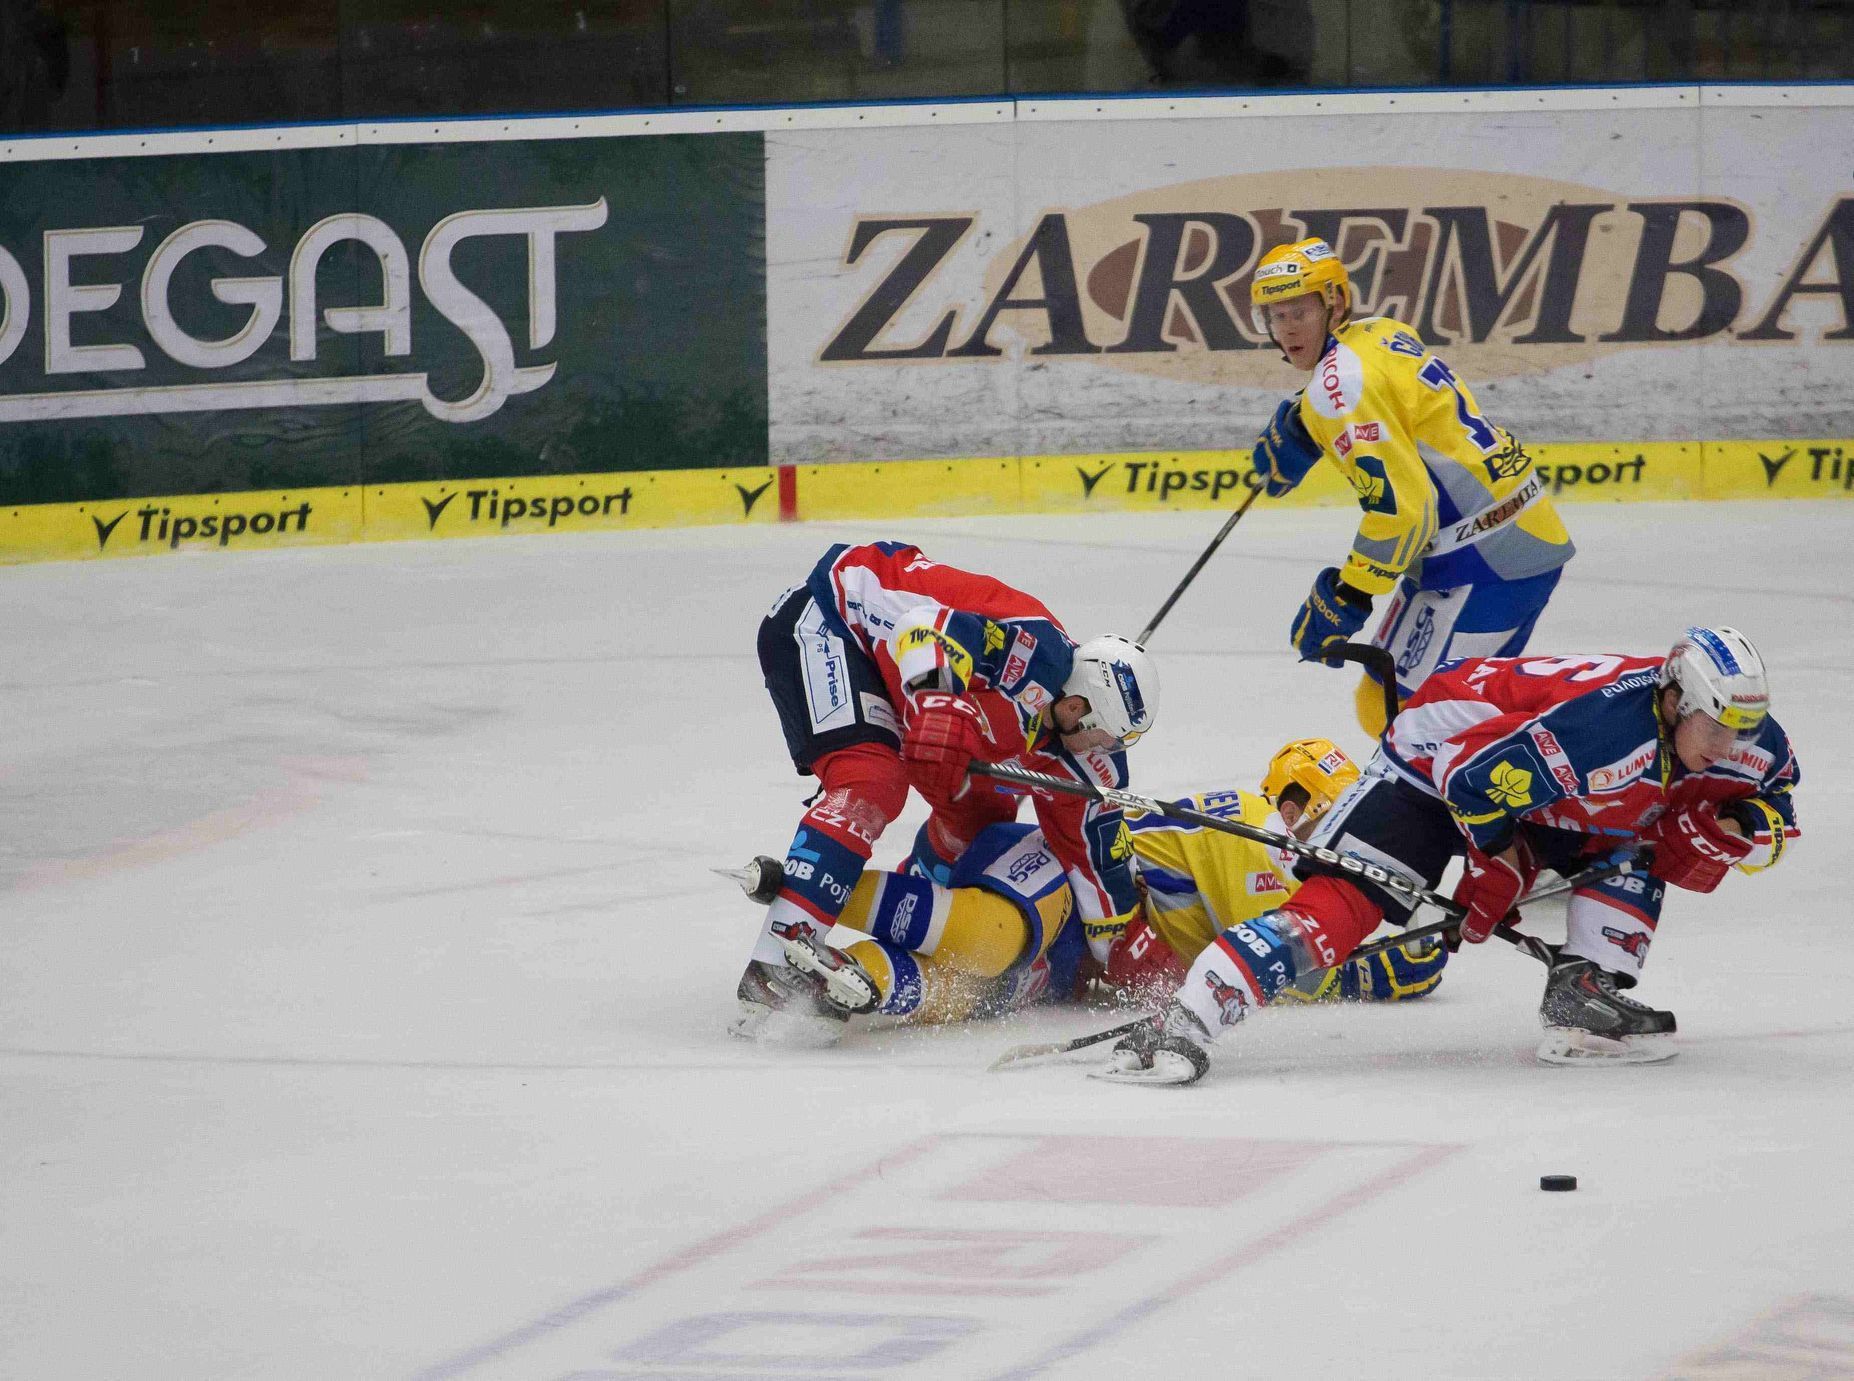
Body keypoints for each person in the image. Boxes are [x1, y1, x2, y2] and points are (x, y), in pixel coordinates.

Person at [1105, 627, 1801, 1085]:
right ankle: (1188, 1018)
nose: (1730, 747)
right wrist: (1496, 863)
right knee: (1346, 905)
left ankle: (1583, 992)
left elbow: (1778, 804)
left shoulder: (1745, 738)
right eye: (1715, 728)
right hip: (1432, 760)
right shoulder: (1601, 731)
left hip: (1532, 786)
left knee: (1639, 837)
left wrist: (1741, 822)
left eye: (1742, 731)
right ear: (1675, 699)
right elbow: (1471, 783)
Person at [737, 540, 1159, 1045]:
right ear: (1075, 704)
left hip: (891, 674)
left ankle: (909, 913)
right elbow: (922, 628)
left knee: (985, 812)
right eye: (1105, 732)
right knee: (872, 779)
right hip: (830, 620)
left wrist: (1122, 954)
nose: (1107, 748)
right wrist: (937, 698)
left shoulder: (1089, 756)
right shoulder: (1036, 651)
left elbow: (1097, 857)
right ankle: (776, 962)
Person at [738, 738, 1447, 1028]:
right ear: (1295, 802)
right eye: (1326, 813)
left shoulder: (1277, 832)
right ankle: (813, 889)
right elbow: (1285, 964)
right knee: (989, 940)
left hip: (1084, 950)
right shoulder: (1261, 828)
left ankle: (850, 978)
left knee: (966, 989)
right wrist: (1368, 972)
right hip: (1066, 880)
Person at [1247, 236, 1577, 735]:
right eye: (1276, 315)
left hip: (1488, 561)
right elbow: (1390, 404)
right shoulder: (1381, 331)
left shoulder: (1337, 389)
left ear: (1334, 302)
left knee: (1416, 722)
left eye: (1298, 311)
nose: (1286, 328)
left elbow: (1405, 510)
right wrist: (1304, 418)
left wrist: (1349, 592)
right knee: (1397, 706)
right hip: (1506, 537)